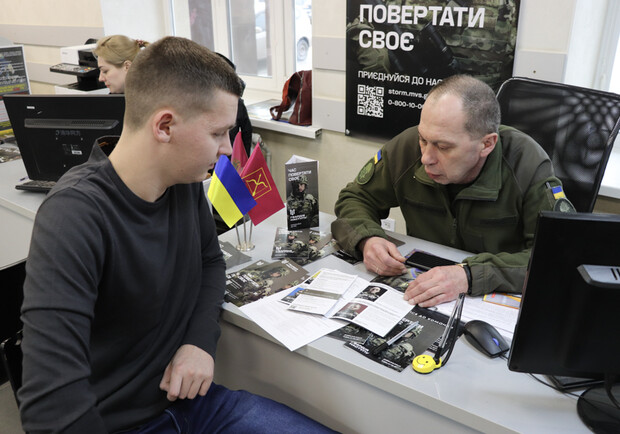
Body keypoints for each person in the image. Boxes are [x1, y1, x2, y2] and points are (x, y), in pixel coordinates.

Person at [19, 36, 336, 433]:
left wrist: (199, 342)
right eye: (218, 133)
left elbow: (209, 262)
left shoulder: (182, 180)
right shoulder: (74, 217)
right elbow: (50, 408)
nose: (226, 150)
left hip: (194, 406)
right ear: (165, 126)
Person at [332, 74, 574, 308]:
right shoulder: (408, 149)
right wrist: (367, 239)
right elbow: (355, 198)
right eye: (423, 139)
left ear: (486, 144)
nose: (426, 158)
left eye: (443, 146)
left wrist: (470, 276)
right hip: (423, 290)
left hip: (493, 301)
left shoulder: (527, 165)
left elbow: (556, 257)